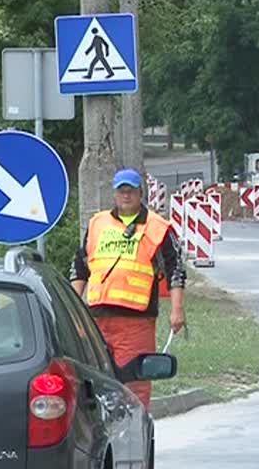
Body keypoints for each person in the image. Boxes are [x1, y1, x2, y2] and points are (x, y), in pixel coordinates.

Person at [70, 168, 186, 407]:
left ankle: (135, 435)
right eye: (121, 191)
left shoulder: (158, 227)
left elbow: (176, 270)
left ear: (140, 193)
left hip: (136, 321)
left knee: (135, 385)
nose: (126, 196)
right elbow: (80, 267)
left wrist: (177, 310)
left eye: (131, 191)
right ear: (114, 194)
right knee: (93, 382)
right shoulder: (97, 224)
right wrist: (73, 309)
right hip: (96, 318)